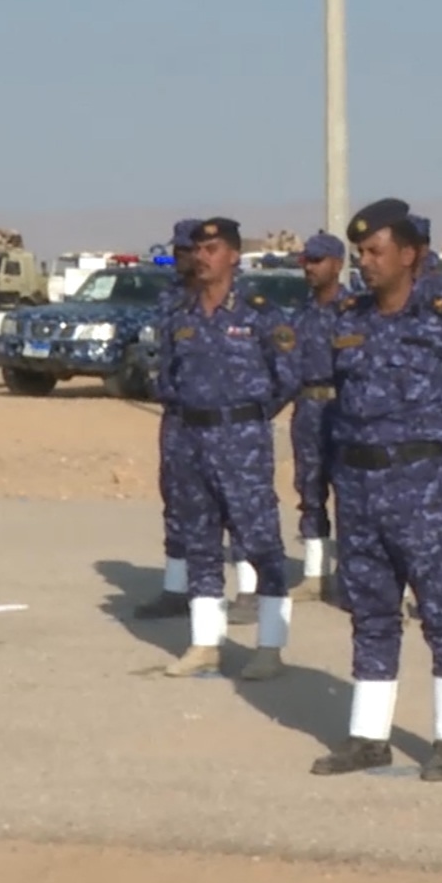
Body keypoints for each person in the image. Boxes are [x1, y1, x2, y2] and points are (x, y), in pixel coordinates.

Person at [304, 198, 442, 780]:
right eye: (359, 252)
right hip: (359, 489)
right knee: (371, 612)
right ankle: (369, 736)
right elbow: (334, 407)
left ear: (409, 254)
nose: (364, 262)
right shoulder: (350, 318)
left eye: (375, 251)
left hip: (423, 487)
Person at [153, 219, 299, 679]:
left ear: (234, 255)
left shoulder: (260, 313)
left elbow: (288, 376)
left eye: (212, 248)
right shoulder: (181, 315)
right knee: (200, 541)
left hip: (242, 442)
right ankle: (205, 643)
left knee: (259, 541)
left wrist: (248, 416)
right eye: (198, 249)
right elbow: (167, 377)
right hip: (190, 439)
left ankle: (270, 645)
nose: (202, 257)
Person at [134, 221, 207, 617]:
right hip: (177, 416)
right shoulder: (170, 298)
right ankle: (177, 587)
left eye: (186, 251)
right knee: (175, 499)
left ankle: (250, 591)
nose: (180, 258)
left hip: (223, 422)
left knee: (236, 505)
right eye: (177, 251)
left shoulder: (229, 299)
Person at [288, 232, 351, 601]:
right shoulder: (302, 313)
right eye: (306, 262)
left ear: (337, 264)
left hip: (345, 409)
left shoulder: (354, 310)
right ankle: (315, 573)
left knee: (351, 493)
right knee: (310, 488)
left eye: (317, 261)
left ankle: (352, 574)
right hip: (309, 409)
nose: (309, 268)